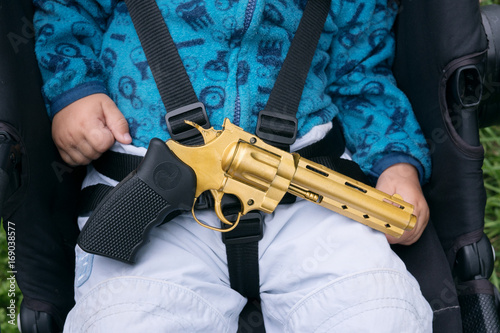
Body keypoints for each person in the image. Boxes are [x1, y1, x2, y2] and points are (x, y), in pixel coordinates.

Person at [33, 0, 433, 331]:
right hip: (152, 194)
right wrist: (74, 90)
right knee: (130, 316)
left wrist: (396, 163)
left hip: (308, 196)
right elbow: (68, 10)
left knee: (377, 309)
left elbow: (362, 74)